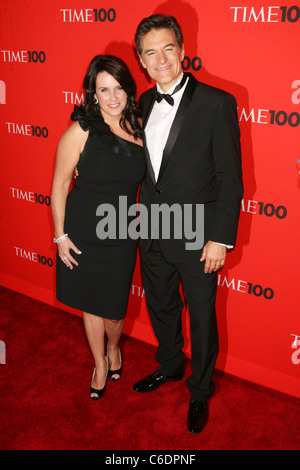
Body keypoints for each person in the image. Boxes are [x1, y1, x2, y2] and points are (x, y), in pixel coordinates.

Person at [132, 15, 243, 433]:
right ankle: (171, 366)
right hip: (151, 230)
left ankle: (200, 391)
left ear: (182, 50)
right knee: (161, 306)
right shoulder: (141, 102)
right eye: (150, 52)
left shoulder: (217, 102)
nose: (160, 59)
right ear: (142, 61)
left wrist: (220, 238)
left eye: (167, 48)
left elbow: (230, 178)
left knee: (200, 315)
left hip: (199, 235)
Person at [51, 55, 146, 400]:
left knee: (115, 314)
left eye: (119, 87)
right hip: (83, 231)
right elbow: (60, 184)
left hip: (122, 232)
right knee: (90, 305)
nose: (112, 96)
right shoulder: (81, 130)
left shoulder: (140, 126)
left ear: (128, 89)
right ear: (93, 93)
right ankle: (101, 363)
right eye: (104, 89)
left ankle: (114, 347)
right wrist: (60, 235)